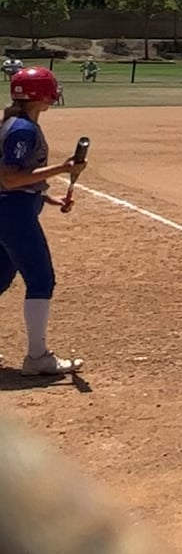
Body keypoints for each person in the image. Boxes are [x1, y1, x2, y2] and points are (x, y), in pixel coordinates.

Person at [0, 68, 86, 376]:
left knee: (0, 277)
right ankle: (37, 357)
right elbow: (10, 179)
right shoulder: (23, 129)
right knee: (40, 279)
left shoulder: (15, 123)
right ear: (40, 95)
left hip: (10, 209)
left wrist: (47, 197)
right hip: (12, 213)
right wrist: (62, 168)